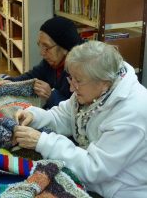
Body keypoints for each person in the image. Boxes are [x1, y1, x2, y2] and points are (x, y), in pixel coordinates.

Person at [13, 41, 147, 198]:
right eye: (71, 79)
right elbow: (64, 116)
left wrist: (42, 141)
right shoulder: (95, 89)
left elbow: (94, 169)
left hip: (121, 191)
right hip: (95, 181)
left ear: (104, 82)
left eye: (78, 81)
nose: (71, 88)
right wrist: (35, 116)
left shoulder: (132, 114)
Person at [1, 16, 83, 109]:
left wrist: (51, 96)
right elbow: (32, 76)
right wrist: (9, 82)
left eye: (46, 47)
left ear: (65, 48)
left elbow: (79, 110)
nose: (42, 53)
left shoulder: (82, 70)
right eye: (40, 45)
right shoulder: (51, 62)